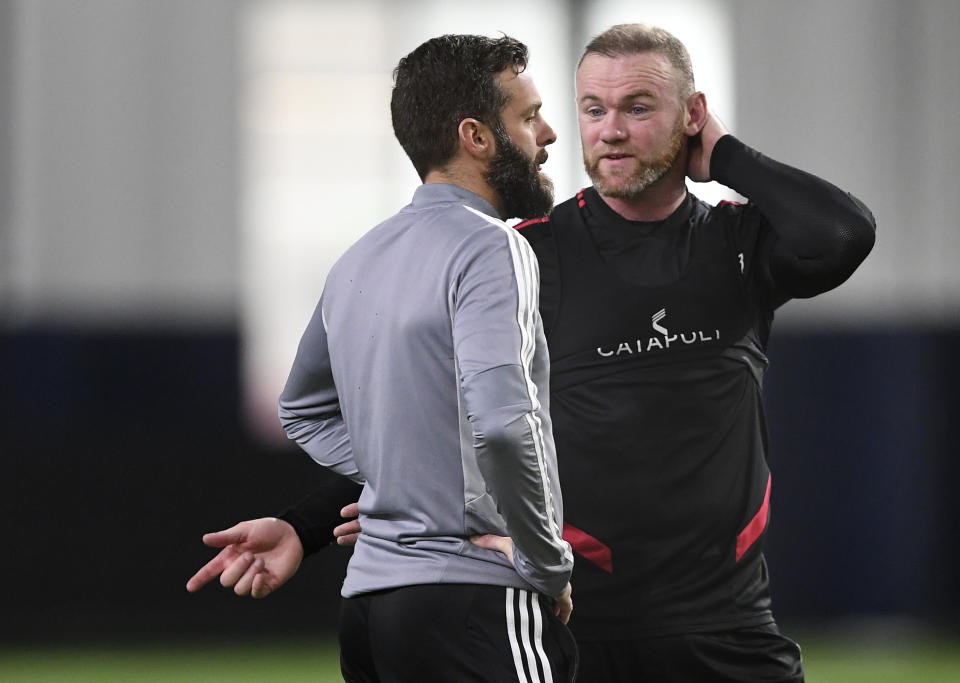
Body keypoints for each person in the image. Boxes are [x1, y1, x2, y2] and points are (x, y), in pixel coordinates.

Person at [190, 23, 876, 683]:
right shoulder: (527, 251)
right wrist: (303, 525)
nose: (609, 130)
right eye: (592, 108)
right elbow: (447, 424)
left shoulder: (737, 246)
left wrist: (722, 154)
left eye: (638, 108)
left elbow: (843, 233)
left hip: (724, 627)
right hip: (570, 616)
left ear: (690, 113)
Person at [189, 34, 577, 683]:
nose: (549, 133)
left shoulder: (358, 259)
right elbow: (506, 427)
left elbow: (302, 409)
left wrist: (409, 477)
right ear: (476, 137)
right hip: (476, 600)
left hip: (370, 610)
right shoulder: (494, 250)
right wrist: (547, 562)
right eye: (529, 116)